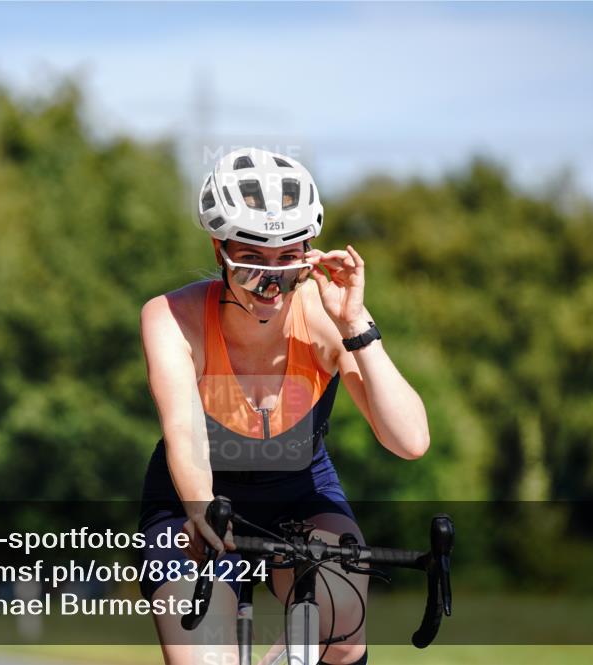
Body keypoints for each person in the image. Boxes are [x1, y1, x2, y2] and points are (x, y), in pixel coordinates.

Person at [137, 148, 430, 665]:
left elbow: (409, 441)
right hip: (195, 501)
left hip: (301, 496)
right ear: (219, 248)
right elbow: (183, 432)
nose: (272, 282)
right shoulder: (172, 316)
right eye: (252, 261)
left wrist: (356, 325)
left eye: (288, 259)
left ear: (309, 255)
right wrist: (203, 511)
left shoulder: (324, 315)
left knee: (342, 627)